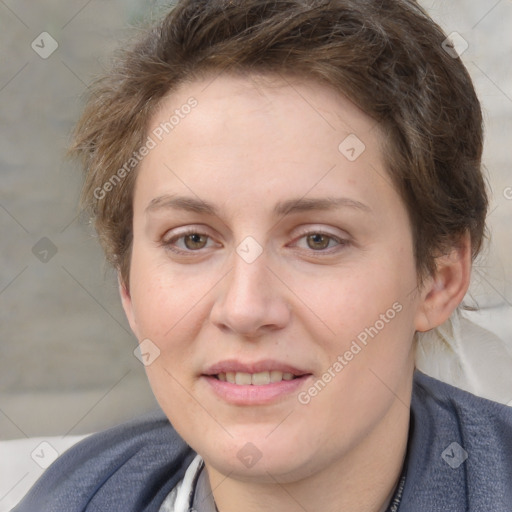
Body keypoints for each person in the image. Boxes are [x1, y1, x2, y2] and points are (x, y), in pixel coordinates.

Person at [14, 0, 512, 510]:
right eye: (193, 240)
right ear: (128, 285)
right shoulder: (69, 495)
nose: (245, 309)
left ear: (441, 277)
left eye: (318, 240)